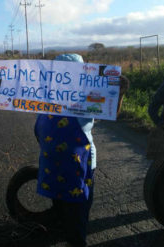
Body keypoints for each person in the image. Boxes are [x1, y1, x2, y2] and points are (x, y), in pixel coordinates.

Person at [34, 54, 129, 247]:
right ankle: (66, 231)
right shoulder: (47, 96)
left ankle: (75, 240)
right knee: (60, 204)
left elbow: (111, 114)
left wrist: (118, 93)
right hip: (54, 164)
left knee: (77, 212)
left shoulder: (89, 97)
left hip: (81, 166)